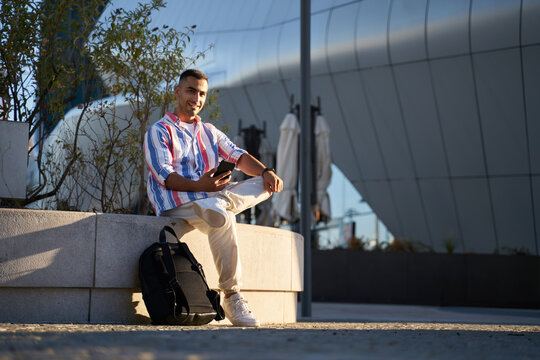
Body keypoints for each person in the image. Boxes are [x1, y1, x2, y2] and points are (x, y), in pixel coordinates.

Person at [143, 69, 283, 327]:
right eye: (191, 90)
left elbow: (237, 156)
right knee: (221, 212)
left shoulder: (208, 131)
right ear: (177, 91)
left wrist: (266, 171)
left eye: (202, 93)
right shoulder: (159, 131)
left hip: (211, 199)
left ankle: (219, 204)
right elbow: (165, 176)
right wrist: (200, 185)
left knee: (262, 186)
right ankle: (232, 295)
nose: (197, 98)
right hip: (177, 203)